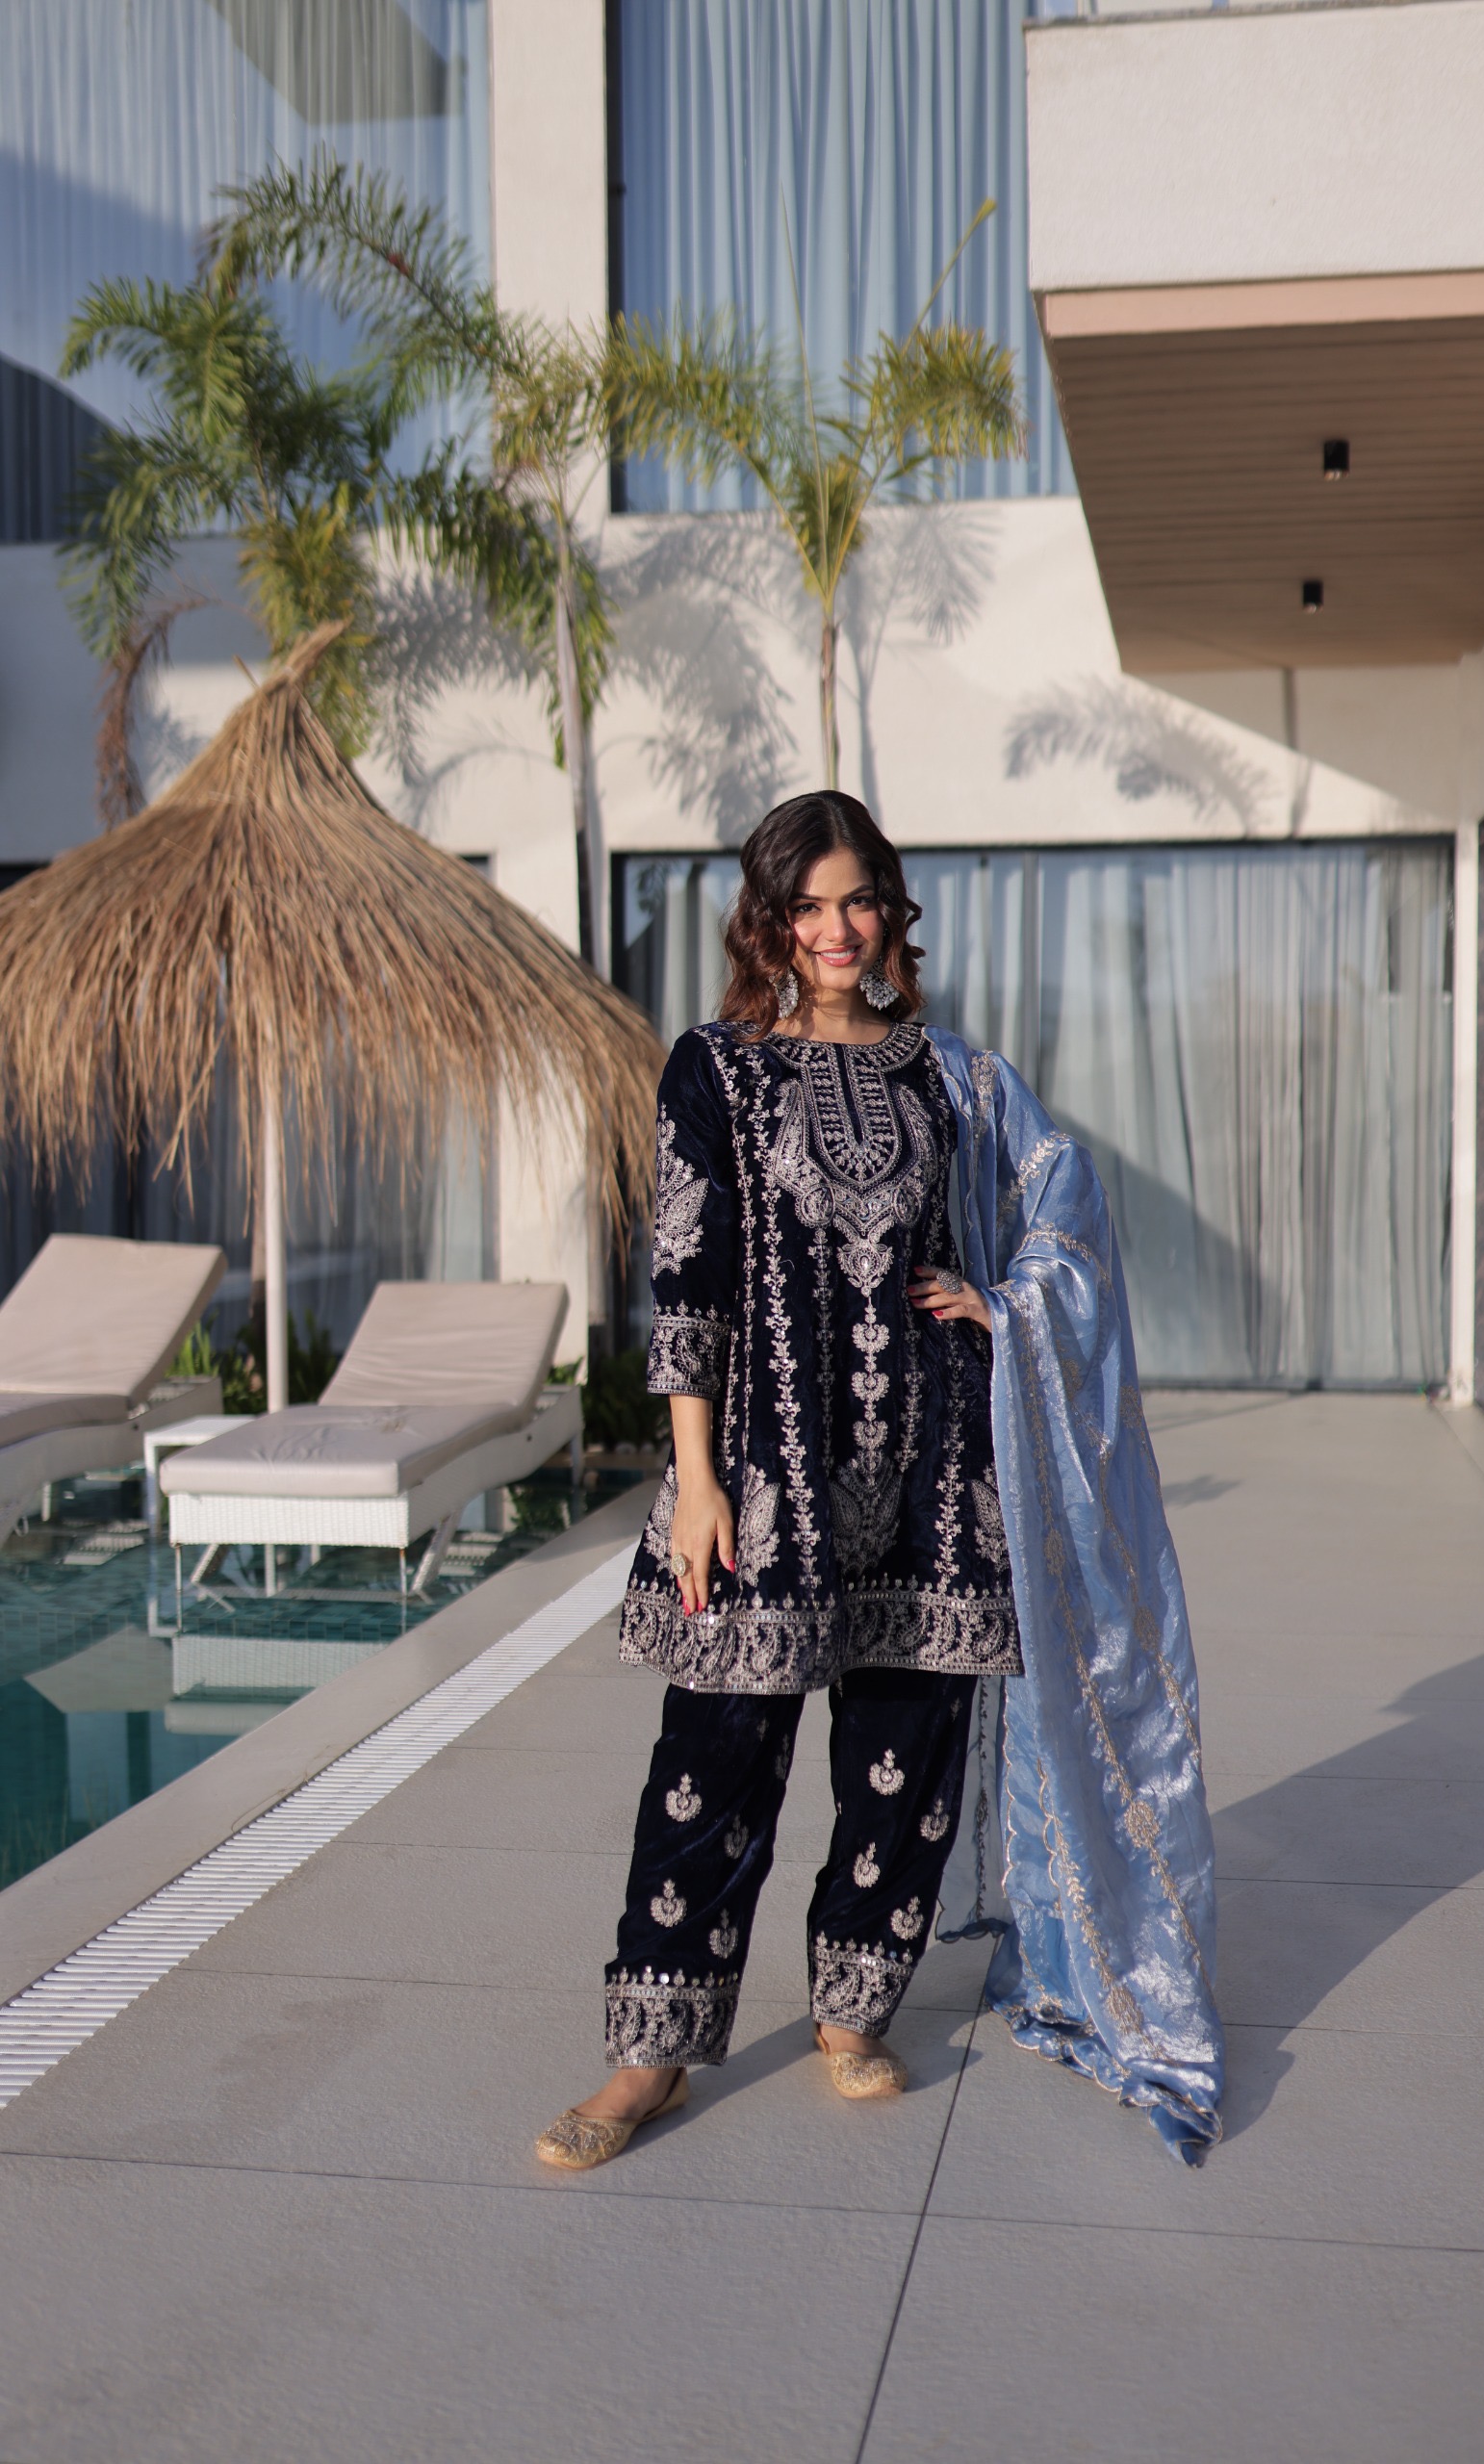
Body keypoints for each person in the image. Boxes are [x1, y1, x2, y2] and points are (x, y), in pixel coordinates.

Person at [537, 791, 1223, 2174]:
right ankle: (650, 2055)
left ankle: (853, 2010)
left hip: (930, 1477)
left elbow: (1064, 1204)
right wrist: (695, 1478)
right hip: (763, 1473)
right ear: (770, 923)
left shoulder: (949, 1078)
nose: (837, 930)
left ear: (890, 910)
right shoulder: (715, 1070)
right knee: (714, 1757)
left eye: (857, 901)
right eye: (809, 907)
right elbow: (687, 1282)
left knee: (903, 1763)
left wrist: (1003, 1302)